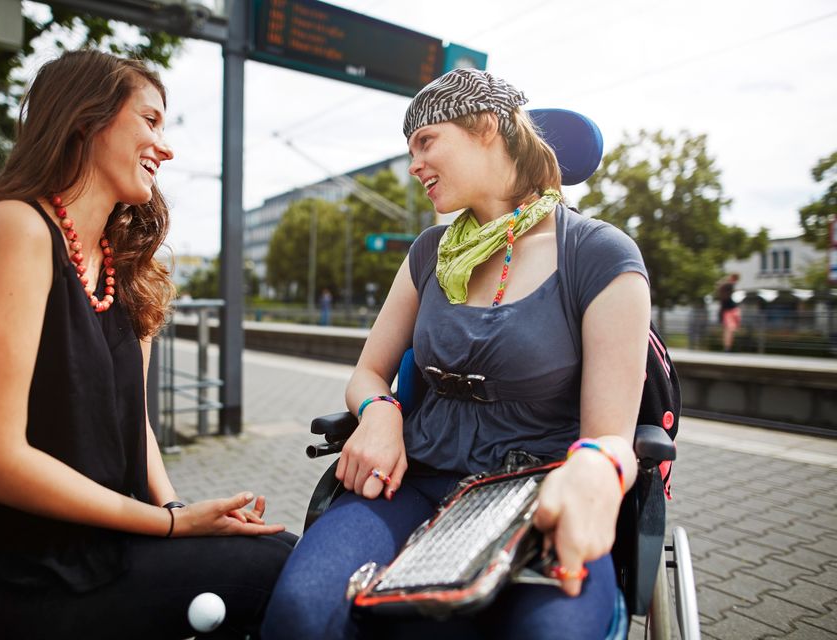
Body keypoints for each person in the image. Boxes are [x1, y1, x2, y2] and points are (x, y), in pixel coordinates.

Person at [0, 50, 295, 640]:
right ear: (86, 119)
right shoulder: (11, 230)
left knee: (283, 559)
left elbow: (137, 426)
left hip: (86, 551)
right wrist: (169, 529)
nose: (166, 147)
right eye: (150, 120)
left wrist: (179, 513)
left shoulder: (125, 272)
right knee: (274, 573)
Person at [261, 69, 651, 640]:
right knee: (300, 611)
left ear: (486, 127)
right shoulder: (428, 253)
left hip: (537, 489)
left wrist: (598, 467)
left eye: (426, 142)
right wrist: (381, 412)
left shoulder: (599, 255)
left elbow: (610, 436)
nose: (414, 164)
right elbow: (370, 372)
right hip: (413, 480)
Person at [716, 273, 741, 352]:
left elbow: (719, 285)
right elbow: (719, 285)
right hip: (728, 310)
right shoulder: (727, 286)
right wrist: (726, 279)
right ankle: (727, 347)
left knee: (729, 329)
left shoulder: (729, 286)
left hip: (731, 309)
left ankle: (727, 347)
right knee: (729, 329)